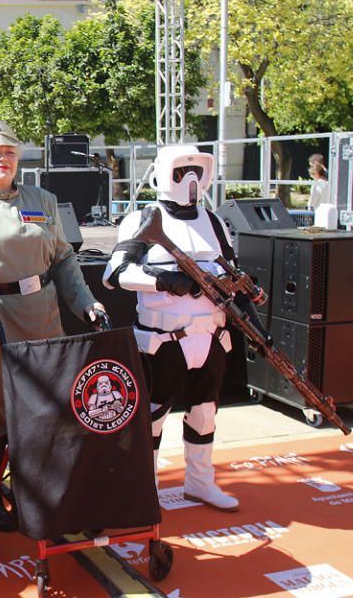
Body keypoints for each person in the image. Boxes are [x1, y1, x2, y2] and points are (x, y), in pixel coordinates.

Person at [0, 120, 106, 526]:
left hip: (44, 322)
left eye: (9, 153)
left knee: (48, 411)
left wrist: (87, 303)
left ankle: (43, 490)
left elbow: (64, 258)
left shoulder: (43, 200)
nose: (2, 160)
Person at [102, 144, 241, 512]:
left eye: (197, 170)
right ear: (165, 174)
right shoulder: (142, 220)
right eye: (183, 171)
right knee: (153, 416)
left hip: (210, 336)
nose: (192, 180)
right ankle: (145, 489)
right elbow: (114, 274)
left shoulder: (214, 223)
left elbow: (232, 276)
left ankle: (200, 482)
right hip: (163, 340)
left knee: (205, 410)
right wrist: (161, 280)